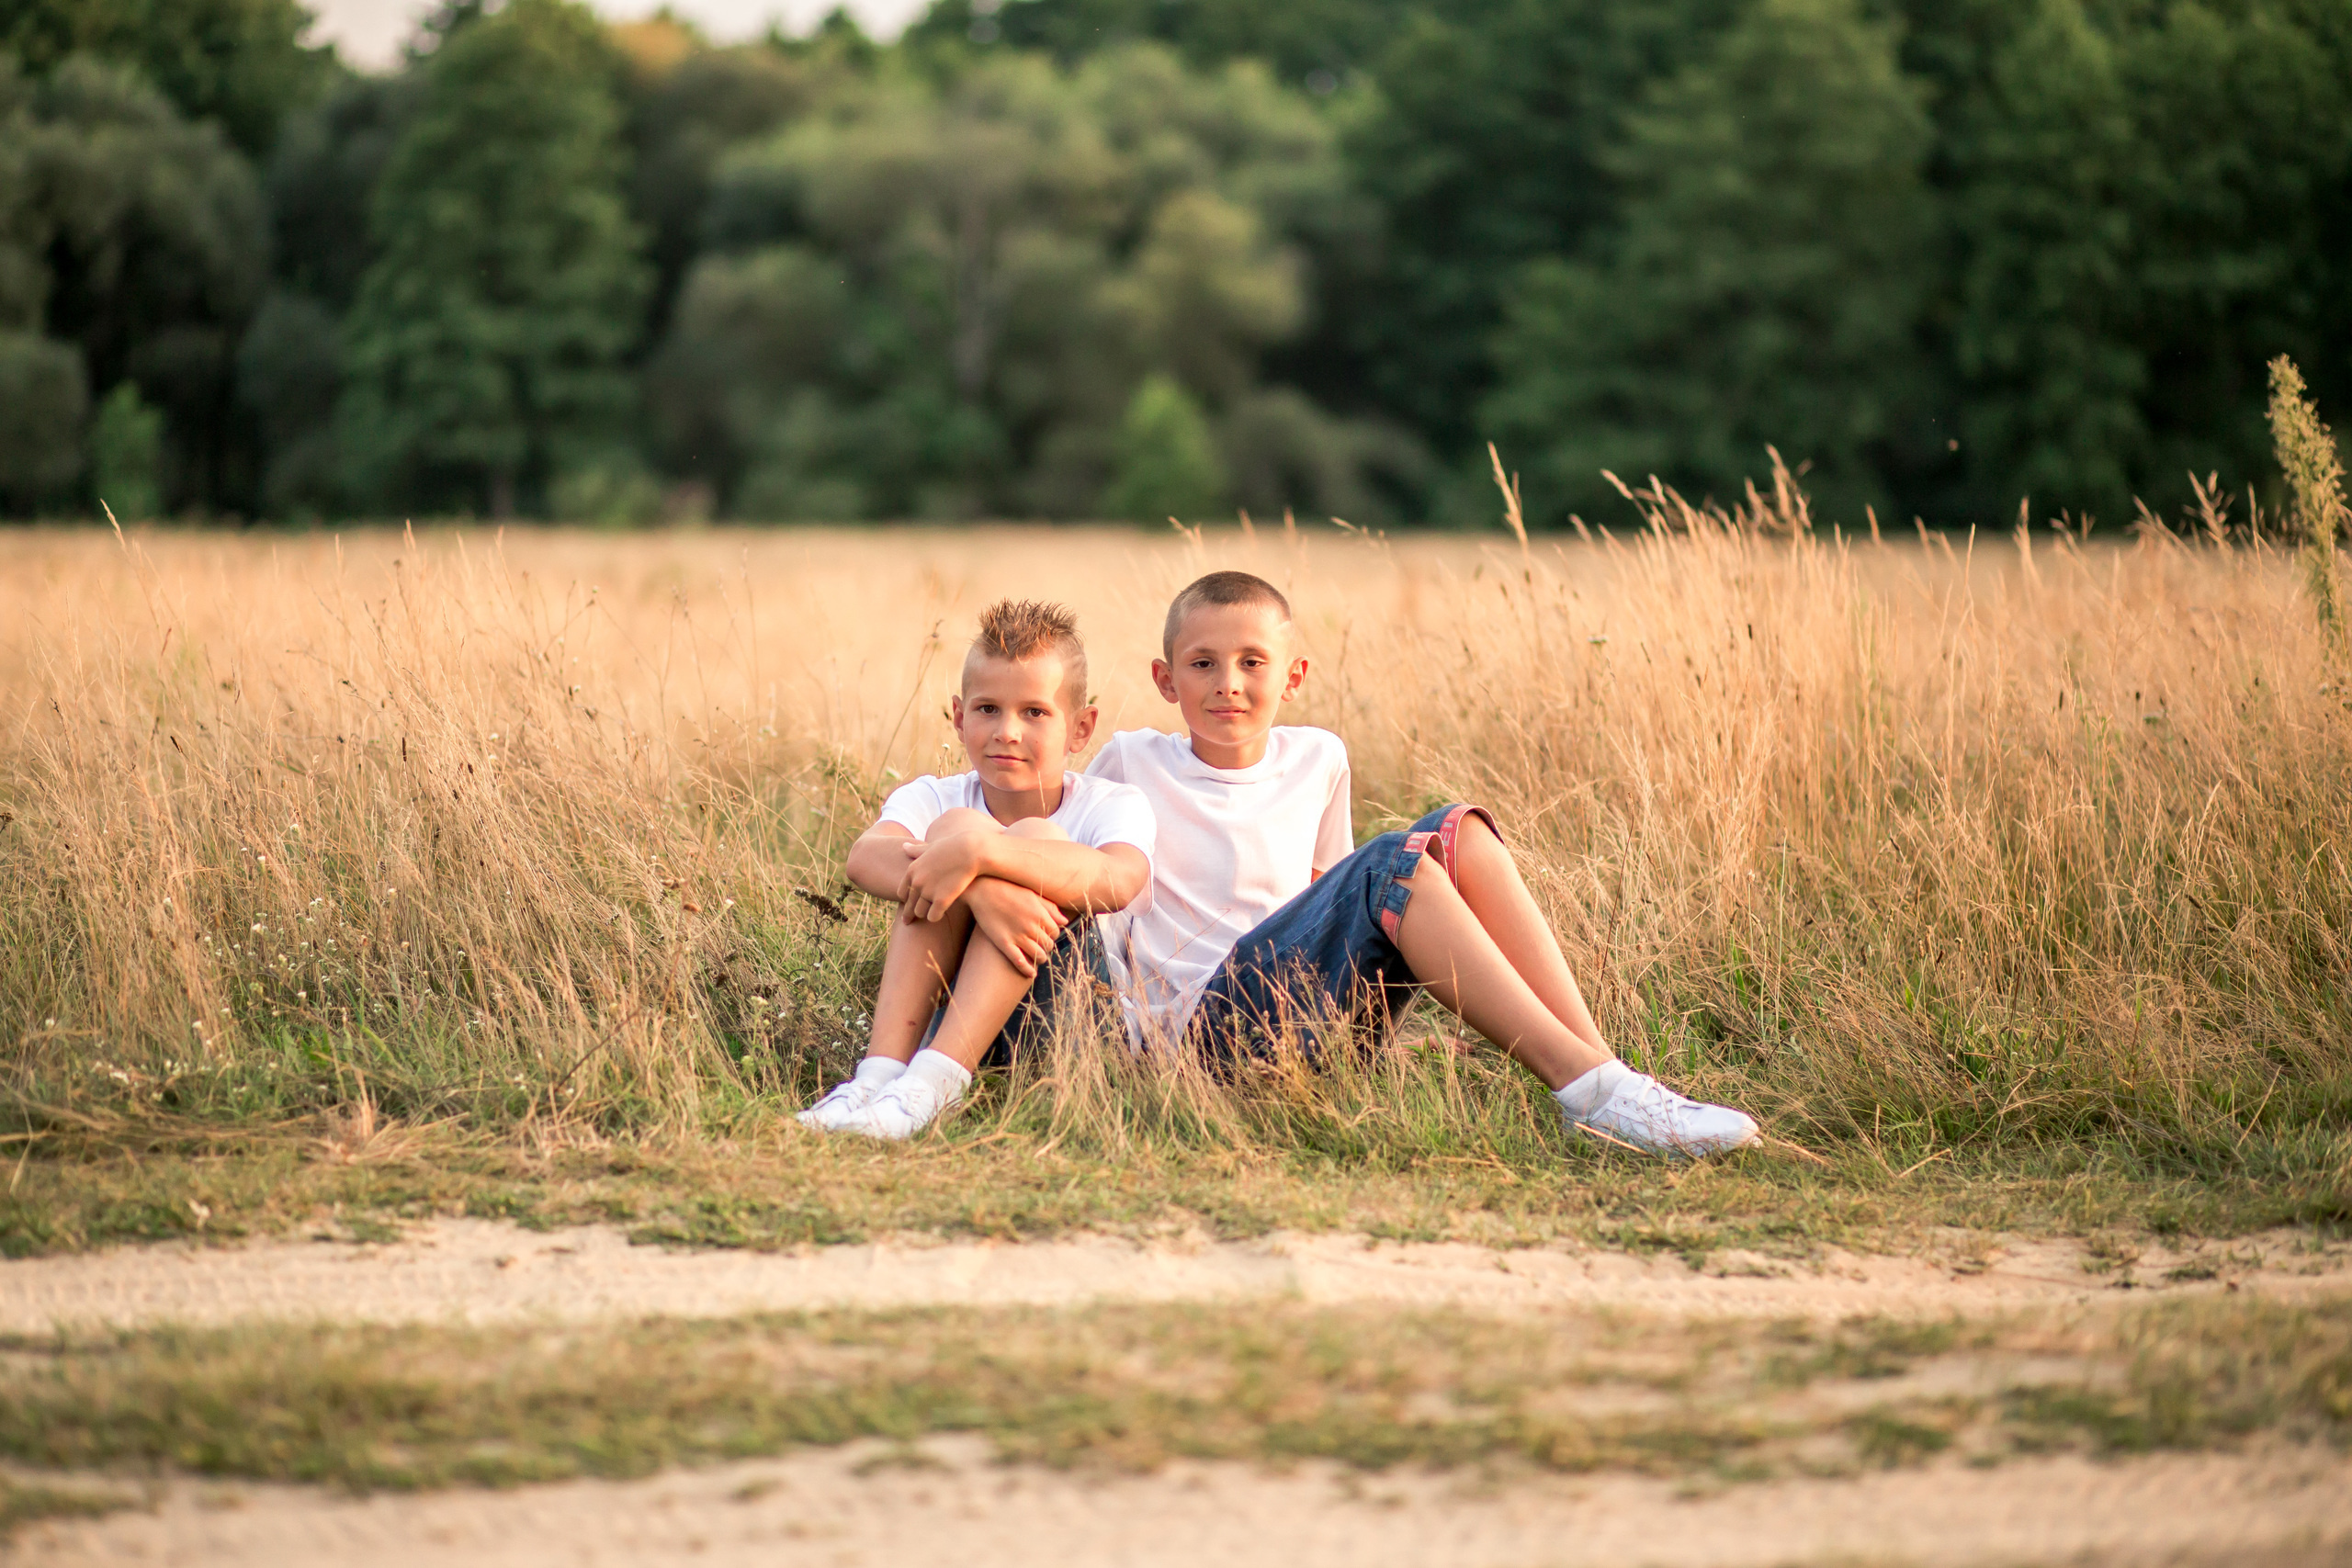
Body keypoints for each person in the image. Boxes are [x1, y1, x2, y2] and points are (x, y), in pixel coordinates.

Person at [1086, 570, 1760, 1157]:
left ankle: (1603, 1082)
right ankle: (1590, 1088)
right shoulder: (1132, 760)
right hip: (1207, 1038)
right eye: (1202, 663)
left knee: (1458, 830)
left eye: (1252, 662)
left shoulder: (1318, 758)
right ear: (1165, 678)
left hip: (1303, 1021)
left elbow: (1326, 910)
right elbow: (1071, 854)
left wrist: (1379, 1037)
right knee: (1390, 864)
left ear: (1293, 677)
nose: (1228, 683)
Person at [797, 599, 1154, 1140]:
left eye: (1034, 712)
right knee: (956, 827)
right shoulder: (937, 796)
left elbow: (1118, 880)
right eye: (988, 709)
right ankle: (879, 1080)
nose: (1007, 731)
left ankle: (931, 1088)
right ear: (960, 717)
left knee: (1026, 838)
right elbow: (865, 857)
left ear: (1081, 729)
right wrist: (977, 880)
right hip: (952, 1017)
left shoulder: (1113, 803)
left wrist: (976, 857)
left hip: (1075, 1032)